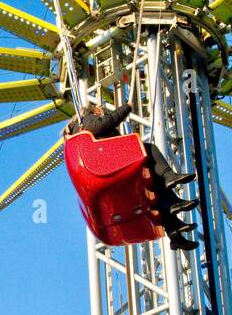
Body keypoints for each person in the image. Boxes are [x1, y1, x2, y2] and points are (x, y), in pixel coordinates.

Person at [65, 101, 198, 252]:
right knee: (149, 149)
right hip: (103, 161)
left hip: (104, 163)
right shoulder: (85, 120)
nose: (102, 114)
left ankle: (175, 233)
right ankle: (169, 177)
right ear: (92, 111)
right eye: (100, 112)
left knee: (153, 185)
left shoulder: (79, 128)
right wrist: (127, 107)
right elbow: (101, 125)